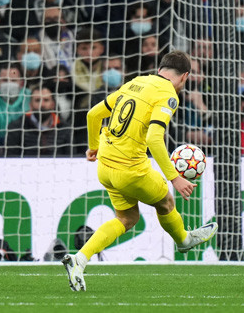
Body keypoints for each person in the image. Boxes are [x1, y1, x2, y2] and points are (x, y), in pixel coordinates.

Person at [62, 51, 218, 292]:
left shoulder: (135, 82)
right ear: (185, 76)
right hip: (130, 169)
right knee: (166, 202)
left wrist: (93, 147)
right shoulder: (168, 94)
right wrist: (174, 178)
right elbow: (155, 139)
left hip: (105, 165)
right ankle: (184, 240)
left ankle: (79, 259)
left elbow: (93, 114)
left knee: (126, 218)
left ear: (160, 69)